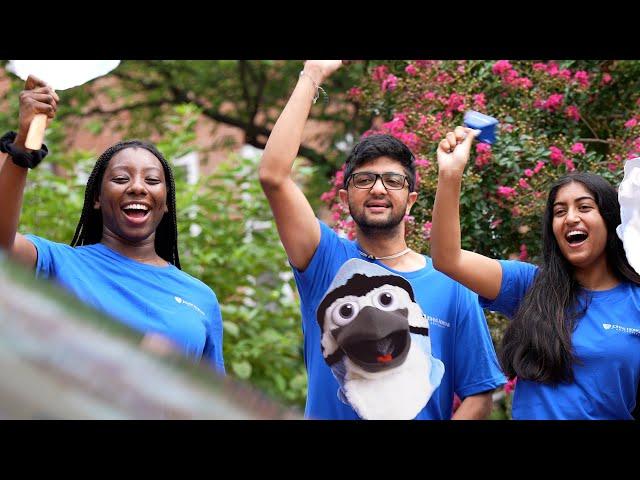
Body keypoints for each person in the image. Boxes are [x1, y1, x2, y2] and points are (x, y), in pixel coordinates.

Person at [259, 60, 505, 419]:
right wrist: (312, 73)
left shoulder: (454, 284)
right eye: (364, 180)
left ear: (412, 199)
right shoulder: (324, 260)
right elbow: (273, 176)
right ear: (344, 197)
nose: (378, 188)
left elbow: (478, 394)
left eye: (393, 180)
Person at [0, 75, 224, 373]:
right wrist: (23, 146)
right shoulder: (59, 265)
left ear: (166, 201)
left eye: (153, 180)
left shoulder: (201, 298)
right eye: (120, 179)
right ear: (97, 198)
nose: (137, 187)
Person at [430, 126, 640, 419]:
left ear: (608, 220)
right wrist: (450, 174)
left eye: (584, 207)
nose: (571, 218)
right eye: (559, 211)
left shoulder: (636, 301)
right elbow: (447, 258)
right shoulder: (530, 285)